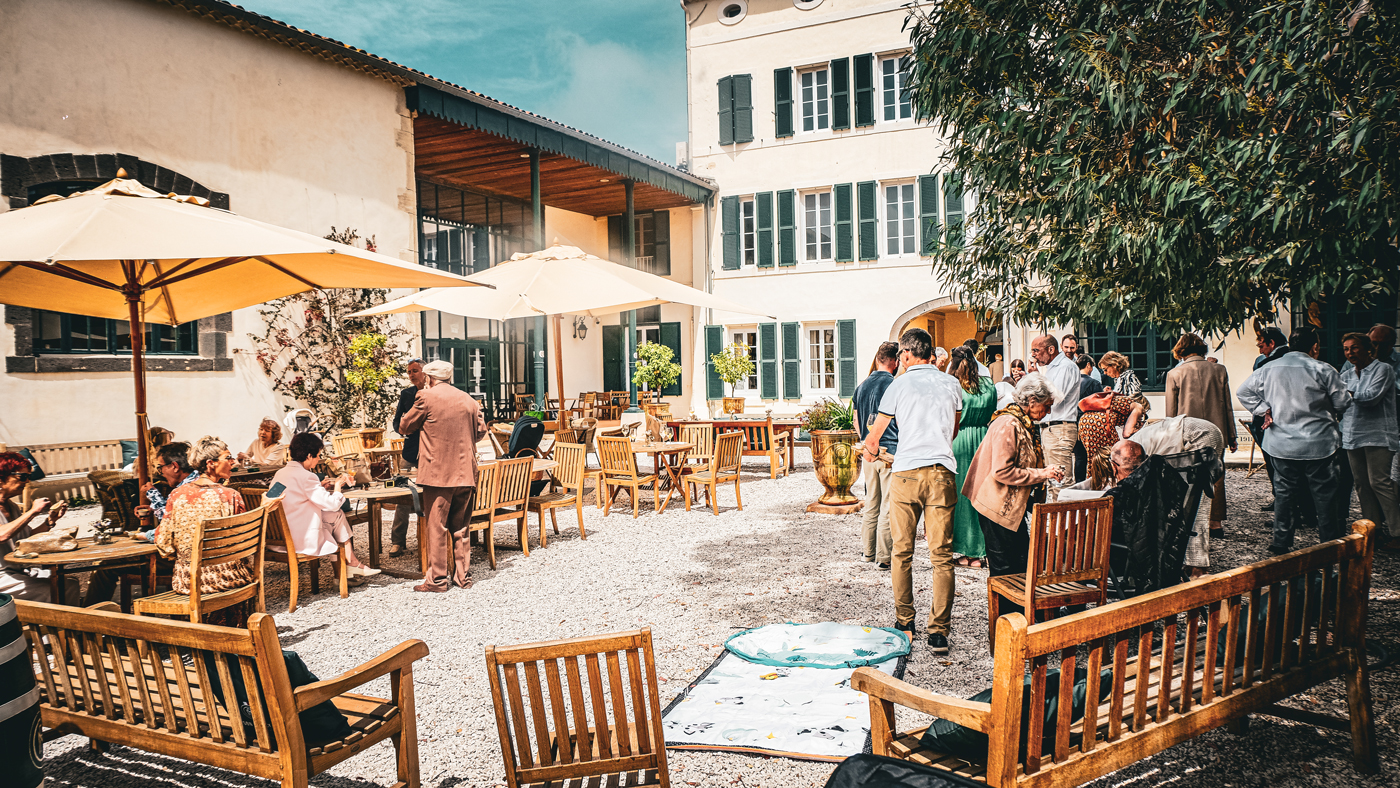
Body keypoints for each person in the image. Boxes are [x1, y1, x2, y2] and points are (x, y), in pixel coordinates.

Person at [862, 328, 962, 654]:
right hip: (942, 472)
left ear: (905, 354)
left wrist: (870, 450)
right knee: (942, 557)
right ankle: (939, 632)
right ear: (929, 352)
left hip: (906, 473)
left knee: (902, 552)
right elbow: (953, 430)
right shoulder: (951, 384)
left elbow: (875, 437)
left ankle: (905, 622)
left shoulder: (898, 384)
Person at [1237, 327, 1353, 555]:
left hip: (1281, 442)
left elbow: (1243, 392)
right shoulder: (1323, 369)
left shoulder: (1269, 368)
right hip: (1319, 442)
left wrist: (1263, 409)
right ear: (1315, 347)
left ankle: (1281, 541)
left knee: (1285, 493)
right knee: (1325, 496)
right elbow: (1342, 403)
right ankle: (1329, 542)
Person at [961, 374, 1065, 620]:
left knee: (1019, 562)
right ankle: (1008, 623)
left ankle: (1020, 618)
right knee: (1005, 569)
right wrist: (1042, 473)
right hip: (995, 506)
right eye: (1046, 405)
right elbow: (1002, 471)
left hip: (1008, 507)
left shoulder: (1021, 421)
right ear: (1031, 401)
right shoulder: (1008, 423)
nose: (1048, 412)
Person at [399, 359, 488, 592]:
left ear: (428, 378)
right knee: (462, 527)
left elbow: (405, 427)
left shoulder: (425, 397)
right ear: (449, 377)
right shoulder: (468, 399)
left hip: (437, 473)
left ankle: (437, 580)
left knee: (437, 527)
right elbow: (481, 431)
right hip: (466, 472)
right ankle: (463, 578)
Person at [156, 437, 254, 626]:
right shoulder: (231, 496)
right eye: (228, 458)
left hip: (188, 581)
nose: (233, 462)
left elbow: (164, 544)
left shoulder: (176, 495)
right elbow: (242, 544)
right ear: (210, 464)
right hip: (229, 578)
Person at [271, 432, 380, 585]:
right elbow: (332, 504)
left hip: (278, 537)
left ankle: (347, 569)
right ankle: (346, 570)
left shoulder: (280, 474)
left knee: (334, 517)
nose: (318, 459)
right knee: (335, 515)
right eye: (318, 455)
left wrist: (319, 488)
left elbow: (283, 497)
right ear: (309, 456)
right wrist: (338, 487)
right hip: (298, 539)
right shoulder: (307, 477)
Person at [1127, 414, 1226, 574]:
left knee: (1196, 503)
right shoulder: (1128, 448)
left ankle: (1198, 567)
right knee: (1189, 500)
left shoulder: (1127, 450)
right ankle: (1189, 562)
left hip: (1198, 434)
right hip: (1201, 430)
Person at [1165, 332, 1239, 539]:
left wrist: (1170, 439)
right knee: (1217, 475)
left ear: (1181, 351)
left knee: (1188, 475)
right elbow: (1228, 405)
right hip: (1217, 430)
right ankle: (1215, 523)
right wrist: (1232, 435)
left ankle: (1191, 519)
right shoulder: (1219, 370)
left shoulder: (1174, 374)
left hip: (1189, 432)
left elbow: (1171, 413)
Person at [1340, 332, 1400, 552]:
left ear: (1367, 349)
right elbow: (1336, 400)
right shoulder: (1346, 374)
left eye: (1354, 347)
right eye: (1346, 349)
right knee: (1362, 484)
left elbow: (1371, 397)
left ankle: (1397, 532)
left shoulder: (1383, 369)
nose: (1350, 353)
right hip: (1352, 433)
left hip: (1378, 434)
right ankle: (1372, 530)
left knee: (1380, 482)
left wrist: (1346, 394)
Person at [0, 452, 75, 602]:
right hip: (2, 577)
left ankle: (74, 617)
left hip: (19, 570)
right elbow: (2, 535)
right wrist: (33, 511)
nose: (27, 481)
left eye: (29, 476)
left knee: (69, 584)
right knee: (51, 591)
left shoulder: (11, 506)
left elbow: (27, 538)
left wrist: (49, 521)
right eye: (22, 476)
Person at [949, 346, 996, 569]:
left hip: (959, 439)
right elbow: (993, 409)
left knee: (961, 497)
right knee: (982, 494)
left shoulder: (953, 385)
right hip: (984, 440)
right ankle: (983, 550)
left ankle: (967, 551)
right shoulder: (989, 385)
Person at [854, 342, 900, 569]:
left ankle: (867, 551)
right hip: (890, 450)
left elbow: (856, 420)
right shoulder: (894, 385)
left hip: (868, 450)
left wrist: (866, 441)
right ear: (895, 361)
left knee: (872, 501)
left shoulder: (861, 385)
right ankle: (884, 556)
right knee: (888, 505)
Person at [388, 357, 427, 557]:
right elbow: (396, 421)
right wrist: (403, 431)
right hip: (411, 451)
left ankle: (430, 539)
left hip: (431, 453)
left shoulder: (434, 392)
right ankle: (397, 541)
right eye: (409, 372)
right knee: (403, 494)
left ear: (424, 372)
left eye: (414, 371)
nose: (411, 375)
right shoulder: (406, 394)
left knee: (431, 494)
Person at [1249, 326, 1291, 511]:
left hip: (1271, 419)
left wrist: (1262, 410)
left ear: (1271, 343)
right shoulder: (1264, 360)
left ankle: (1283, 501)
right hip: (1271, 418)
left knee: (1276, 463)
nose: (1260, 350)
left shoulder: (1270, 363)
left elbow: (1253, 391)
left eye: (1261, 345)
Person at [1030, 335, 1080, 479]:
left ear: (1051, 350)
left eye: (1036, 350)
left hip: (1059, 428)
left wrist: (1036, 378)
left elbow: (1055, 397)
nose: (1033, 355)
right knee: (1051, 480)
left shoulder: (1065, 366)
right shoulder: (1052, 368)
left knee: (1060, 481)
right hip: (1051, 429)